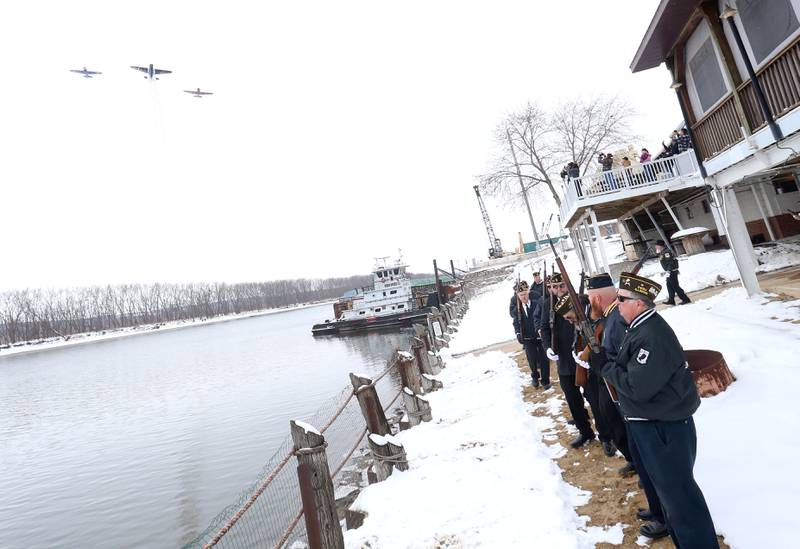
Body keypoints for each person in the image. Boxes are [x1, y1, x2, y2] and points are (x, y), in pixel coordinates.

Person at [598, 272, 719, 549]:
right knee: (670, 497)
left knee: (680, 498)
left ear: (638, 304)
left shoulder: (651, 334)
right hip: (652, 423)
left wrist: (604, 366)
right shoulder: (639, 328)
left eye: (622, 299)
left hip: (664, 427)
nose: (617, 304)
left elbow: (637, 386)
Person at [571, 274, 635, 468]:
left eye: (591, 299)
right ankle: (635, 461)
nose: (590, 303)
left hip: (619, 385)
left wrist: (598, 362)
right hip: (611, 380)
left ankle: (639, 463)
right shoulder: (610, 316)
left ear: (597, 299)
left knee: (622, 425)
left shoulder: (615, 320)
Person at [539, 273, 595, 447]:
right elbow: (544, 328)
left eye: (561, 286)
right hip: (563, 359)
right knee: (572, 400)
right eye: (554, 287)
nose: (558, 290)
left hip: (582, 357)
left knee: (593, 398)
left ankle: (607, 435)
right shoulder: (548, 304)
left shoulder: (580, 300)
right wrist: (548, 347)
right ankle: (585, 431)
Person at [512, 280, 549, 388]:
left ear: (528, 293)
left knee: (544, 359)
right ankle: (535, 377)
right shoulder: (517, 310)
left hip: (539, 336)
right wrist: (518, 333)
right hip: (527, 338)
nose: (523, 297)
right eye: (521, 295)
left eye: (525, 294)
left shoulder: (537, 304)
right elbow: (515, 322)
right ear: (518, 296)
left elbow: (542, 318)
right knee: (531, 359)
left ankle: (546, 381)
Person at [655, 240, 690, 305]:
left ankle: (685, 299)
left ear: (660, 246)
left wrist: (668, 271)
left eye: (657, 245)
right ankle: (671, 300)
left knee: (675, 286)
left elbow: (670, 262)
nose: (656, 247)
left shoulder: (666, 252)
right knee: (669, 286)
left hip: (671, 271)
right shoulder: (663, 252)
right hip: (669, 271)